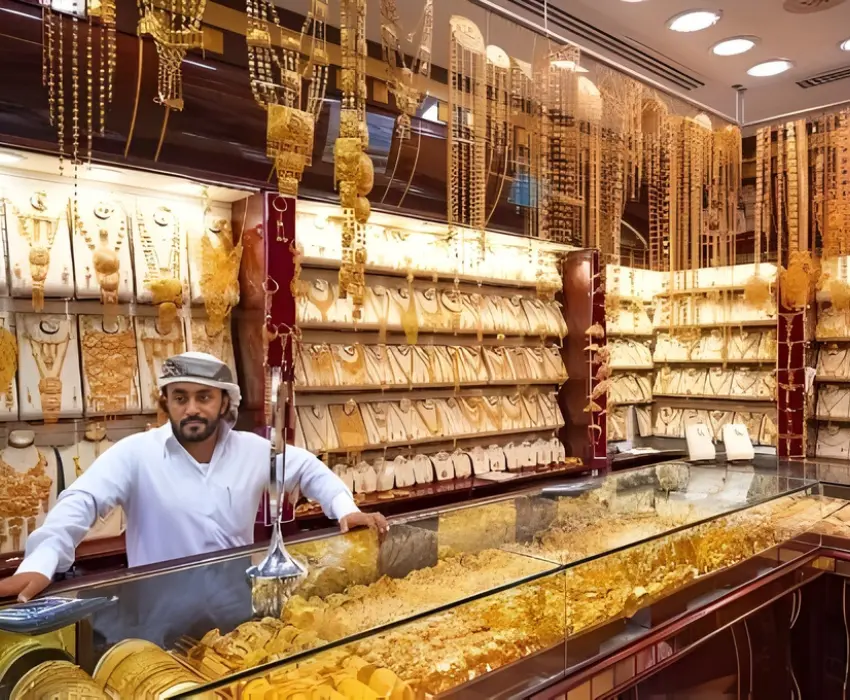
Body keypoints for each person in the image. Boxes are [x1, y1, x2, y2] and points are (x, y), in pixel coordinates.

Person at [0, 351, 387, 603]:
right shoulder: (136, 453)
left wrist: (344, 509)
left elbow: (306, 468)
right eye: (180, 397)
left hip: (236, 612)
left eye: (204, 397)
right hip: (158, 618)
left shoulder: (253, 452)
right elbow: (81, 500)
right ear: (166, 402)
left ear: (224, 402)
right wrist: (42, 561)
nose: (192, 409)